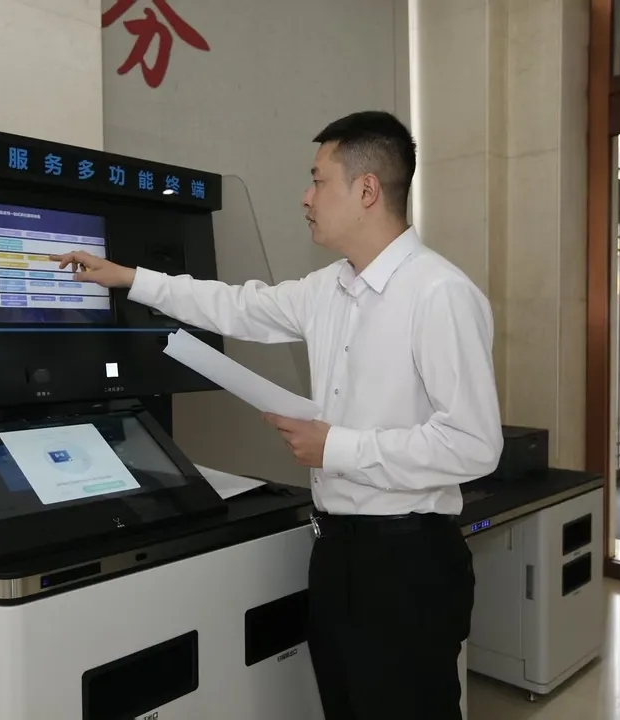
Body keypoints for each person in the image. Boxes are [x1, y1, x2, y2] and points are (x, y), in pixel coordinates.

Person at [51, 110, 503, 720]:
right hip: (337, 550)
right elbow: (236, 307)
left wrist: (335, 448)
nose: (306, 197)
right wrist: (131, 279)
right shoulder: (329, 287)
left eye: (318, 180)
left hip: (408, 563)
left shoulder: (438, 294)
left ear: (367, 190)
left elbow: (474, 444)